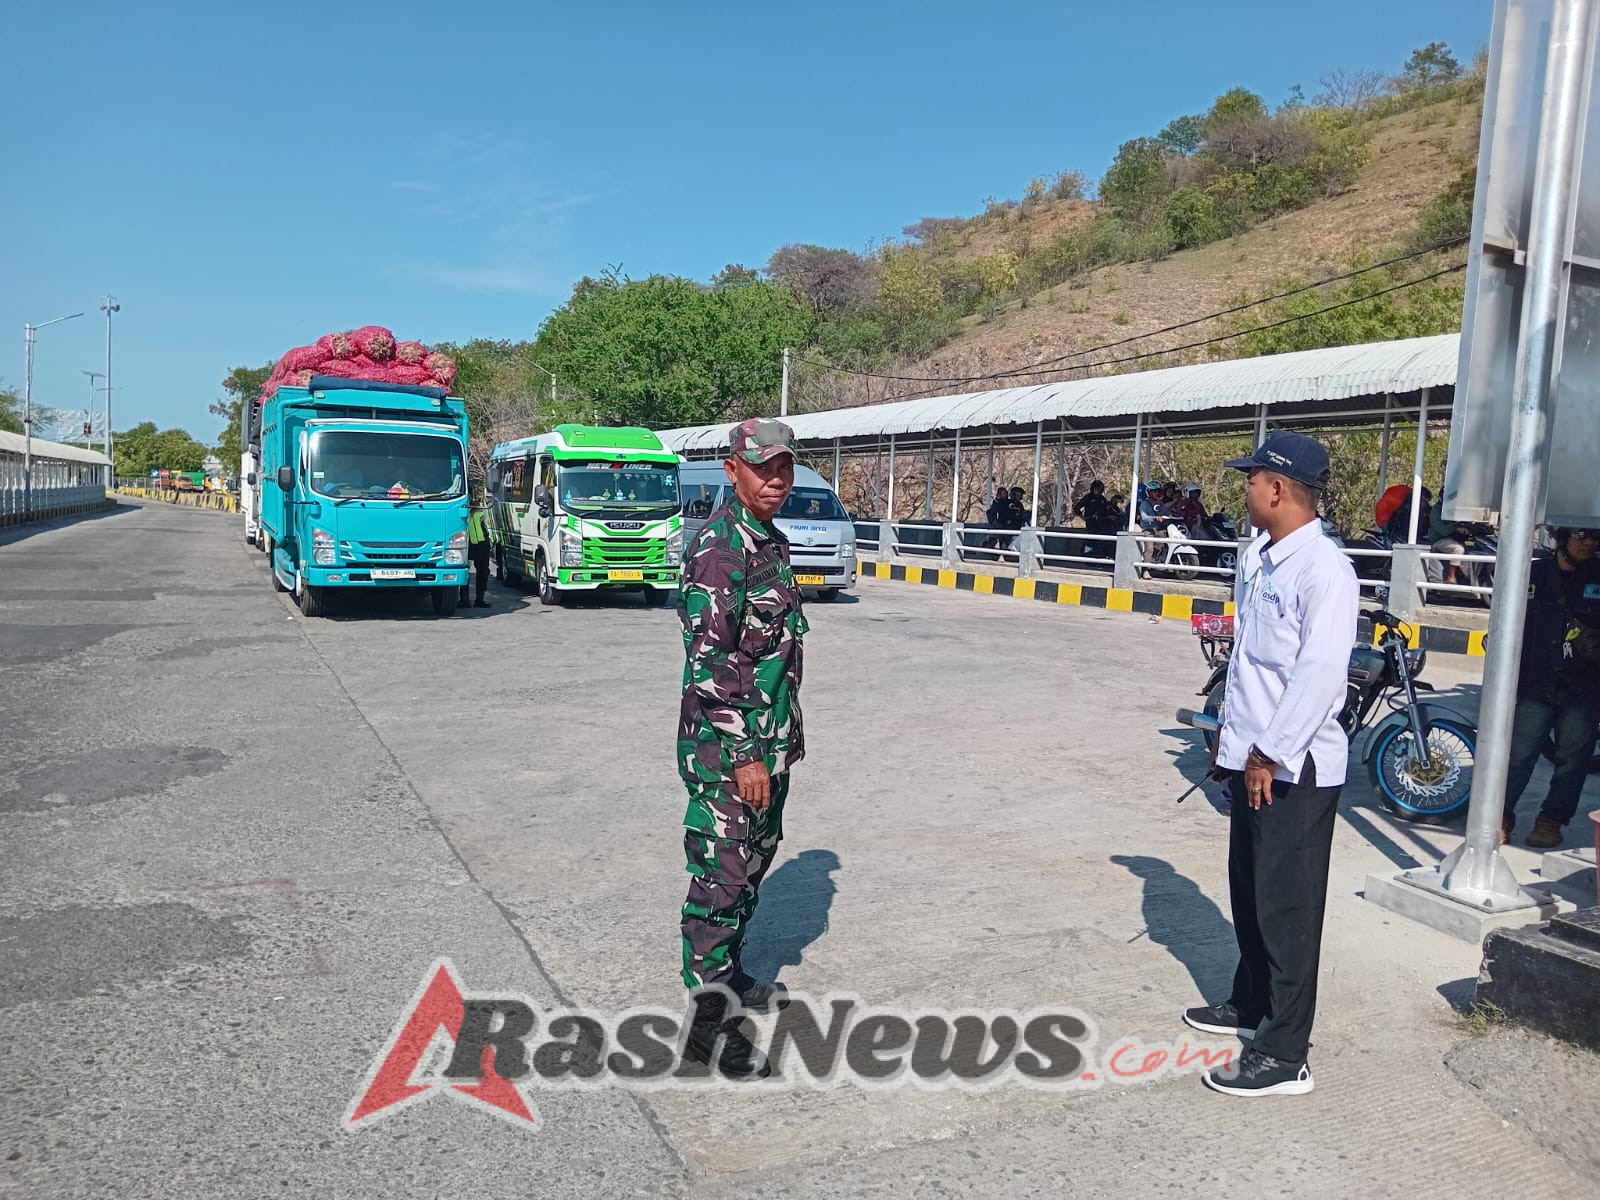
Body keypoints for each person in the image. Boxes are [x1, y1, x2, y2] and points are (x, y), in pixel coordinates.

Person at [1186, 430, 1358, 1098]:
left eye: (1252, 479)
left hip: (1294, 766)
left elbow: (1318, 677)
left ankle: (1286, 1055)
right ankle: (1250, 1001)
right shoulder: (1259, 554)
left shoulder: (1326, 571)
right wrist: (1233, 740)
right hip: (1250, 754)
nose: (1246, 488)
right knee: (1250, 891)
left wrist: (1268, 752)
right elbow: (1251, 662)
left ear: (1279, 489)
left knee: (1288, 907)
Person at [676, 417, 810, 1080]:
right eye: (763, 469)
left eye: (784, 468)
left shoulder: (772, 544)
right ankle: (706, 1027)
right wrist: (746, 754)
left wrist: (780, 746)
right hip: (727, 751)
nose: (776, 481)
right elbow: (710, 662)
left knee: (754, 865)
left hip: (771, 744)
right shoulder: (718, 549)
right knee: (721, 880)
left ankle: (732, 973)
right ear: (733, 470)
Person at [1500, 527, 1600, 848]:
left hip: (1583, 688)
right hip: (1536, 684)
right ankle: (1499, 818)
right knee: (1518, 755)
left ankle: (1551, 821)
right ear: (1561, 536)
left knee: (1573, 759)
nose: (1589, 542)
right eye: (1582, 534)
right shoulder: (1532, 573)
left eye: (1596, 536)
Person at [459, 486, 492, 609]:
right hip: (466, 544)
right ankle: (464, 599)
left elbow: (488, 524)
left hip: (482, 544)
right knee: (464, 572)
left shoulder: (480, 509)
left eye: (470, 496)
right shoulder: (460, 508)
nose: (469, 498)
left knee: (483, 572)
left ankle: (479, 599)